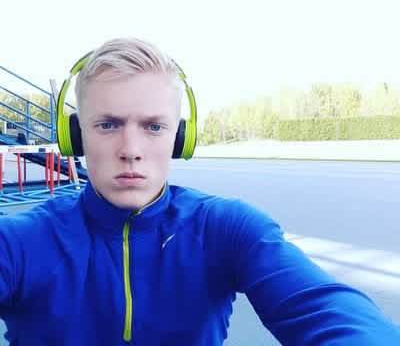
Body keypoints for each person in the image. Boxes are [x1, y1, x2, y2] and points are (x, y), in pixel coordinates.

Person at [0, 37, 399, 345]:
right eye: (107, 125)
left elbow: (330, 310)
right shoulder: (18, 242)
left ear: (179, 138)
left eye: (154, 127)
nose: (131, 149)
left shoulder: (226, 227)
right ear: (75, 135)